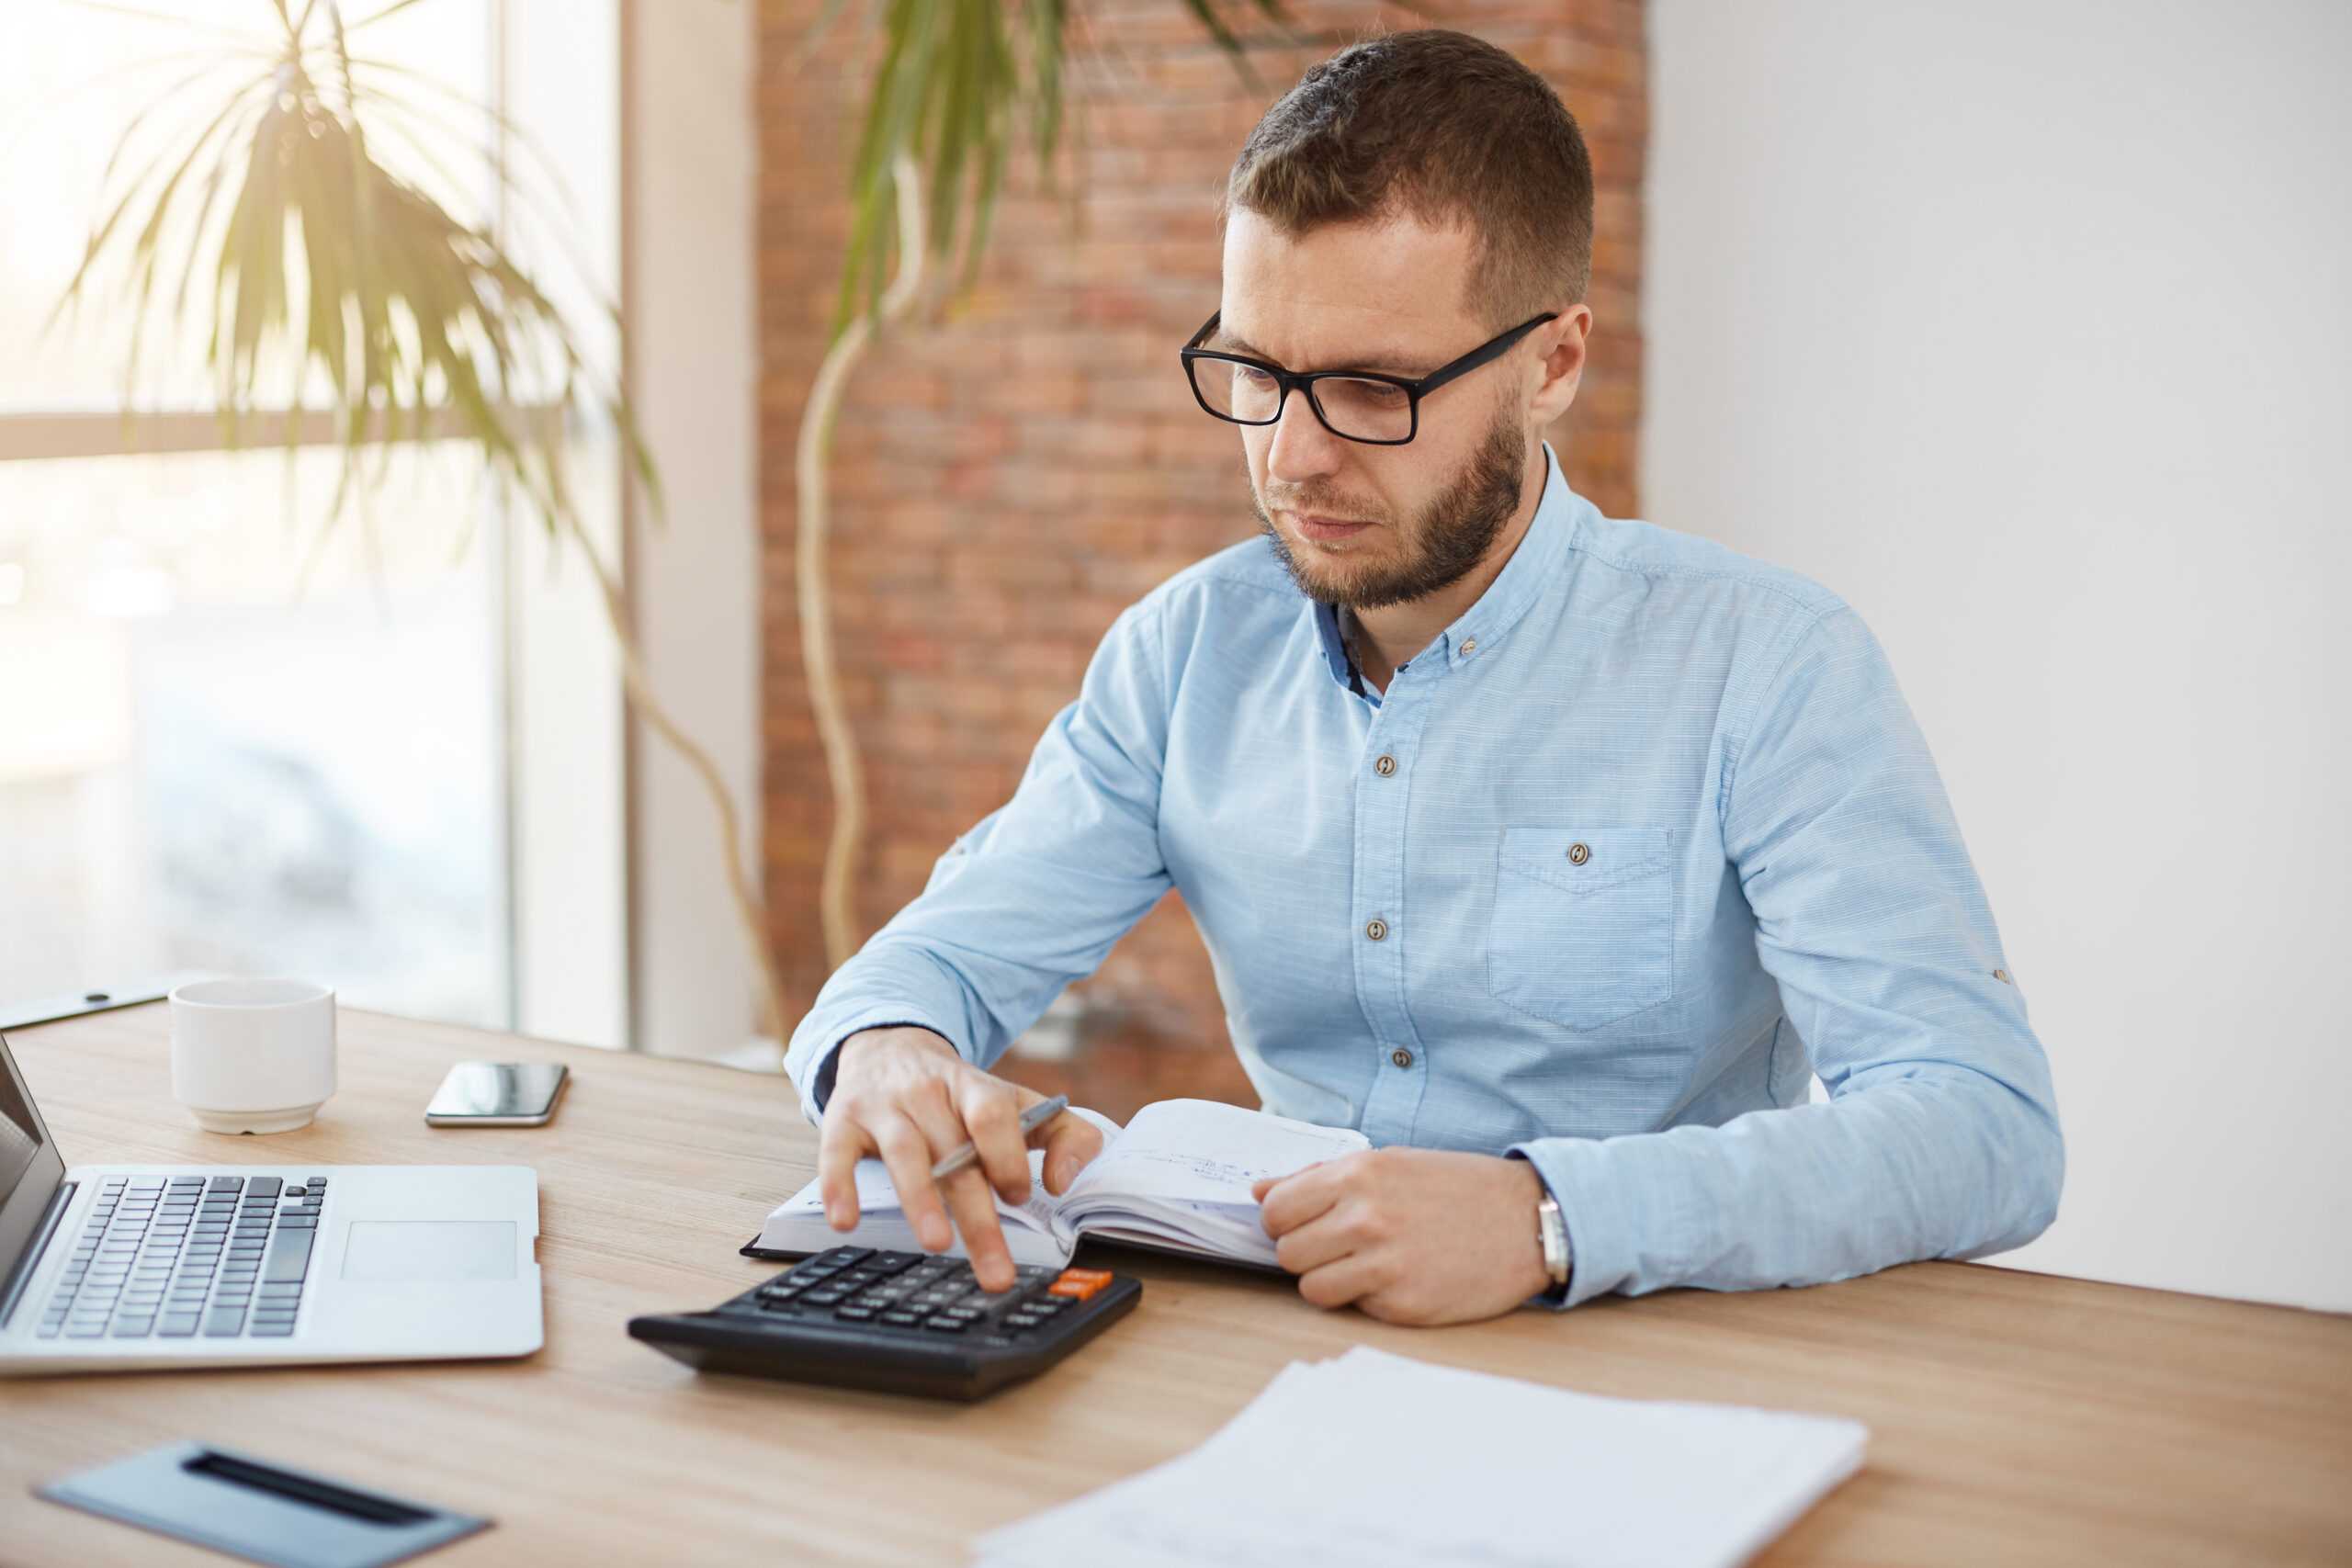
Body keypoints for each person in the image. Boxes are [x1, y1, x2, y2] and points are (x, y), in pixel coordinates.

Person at [785, 27, 2063, 1324]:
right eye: (1257, 373)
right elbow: (929, 966)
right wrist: (890, 1053)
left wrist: (1551, 1218)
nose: (1290, 461)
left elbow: (1983, 1127)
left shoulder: (1769, 667)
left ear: (1552, 363)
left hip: (1653, 1363)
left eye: (1370, 390)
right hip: (1283, 1345)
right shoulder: (1185, 656)